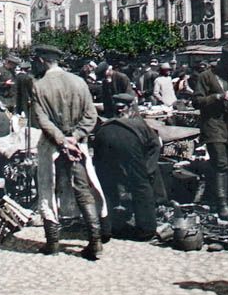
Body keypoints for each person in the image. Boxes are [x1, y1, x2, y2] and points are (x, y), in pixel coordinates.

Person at [31, 44, 106, 260]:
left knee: (48, 188)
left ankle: (52, 243)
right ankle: (95, 242)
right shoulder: (79, 81)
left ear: (42, 61)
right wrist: (75, 136)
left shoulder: (39, 86)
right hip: (77, 145)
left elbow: (42, 120)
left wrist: (62, 140)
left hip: (52, 145)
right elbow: (91, 115)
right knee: (83, 189)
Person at [93, 93, 162, 241]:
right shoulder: (139, 122)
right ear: (131, 107)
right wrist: (147, 170)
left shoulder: (108, 121)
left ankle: (107, 226)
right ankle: (146, 229)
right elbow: (155, 145)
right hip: (127, 140)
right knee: (141, 186)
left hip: (102, 136)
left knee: (106, 183)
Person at [192, 45, 228, 220]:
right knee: (221, 163)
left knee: (227, 164)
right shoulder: (206, 76)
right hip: (213, 125)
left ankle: (216, 196)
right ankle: (222, 205)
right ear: (222, 61)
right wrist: (217, 97)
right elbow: (196, 101)